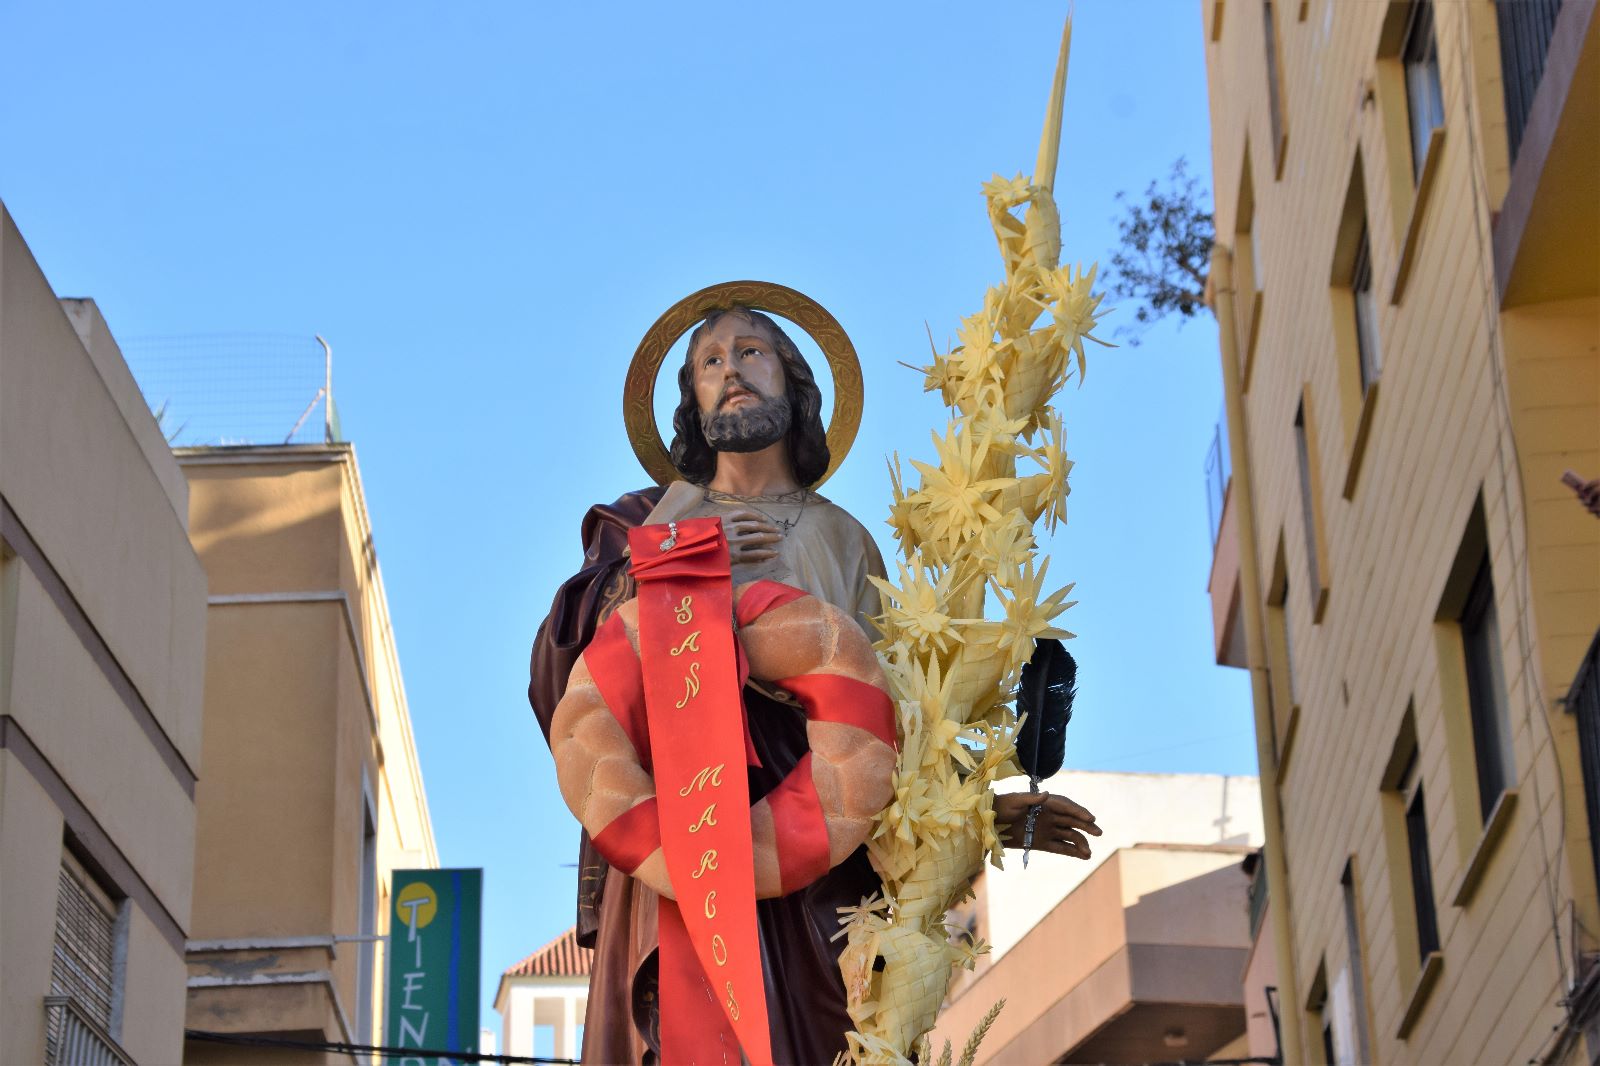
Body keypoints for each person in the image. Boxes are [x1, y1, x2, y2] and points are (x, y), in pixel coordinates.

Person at [529, 307, 1099, 1063]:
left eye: (752, 350)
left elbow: (897, 719)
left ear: (794, 384)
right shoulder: (645, 521)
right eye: (708, 362)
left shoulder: (846, 539)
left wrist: (977, 813)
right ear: (691, 404)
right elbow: (564, 671)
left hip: (816, 863)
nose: (730, 368)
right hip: (681, 837)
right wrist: (680, 559)